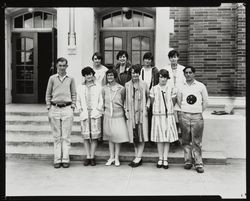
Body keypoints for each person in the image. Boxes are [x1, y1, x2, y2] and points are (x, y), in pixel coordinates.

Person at [45, 57, 76, 168]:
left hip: (67, 108)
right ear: (57, 67)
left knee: (66, 136)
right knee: (57, 136)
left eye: (64, 65)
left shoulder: (71, 79)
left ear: (67, 66)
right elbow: (48, 94)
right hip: (55, 108)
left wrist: (73, 106)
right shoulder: (52, 78)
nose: (62, 68)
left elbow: (74, 93)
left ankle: (65, 159)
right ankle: (57, 159)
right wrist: (49, 107)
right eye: (60, 66)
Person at [177, 65, 208, 173]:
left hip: (197, 116)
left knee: (197, 141)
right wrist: (186, 110)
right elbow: (179, 100)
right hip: (184, 116)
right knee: (185, 140)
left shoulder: (201, 86)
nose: (188, 74)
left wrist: (197, 111)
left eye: (190, 72)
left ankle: (199, 163)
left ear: (194, 74)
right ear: (184, 74)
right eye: (186, 73)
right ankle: (188, 161)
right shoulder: (181, 86)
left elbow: (205, 102)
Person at [149, 69, 178, 169]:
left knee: (167, 138)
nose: (163, 79)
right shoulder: (154, 89)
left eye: (165, 77)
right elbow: (152, 102)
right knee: (159, 139)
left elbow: (173, 102)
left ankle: (165, 158)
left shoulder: (171, 88)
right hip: (158, 116)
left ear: (167, 78)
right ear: (158, 78)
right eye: (161, 77)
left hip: (168, 116)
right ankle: (160, 158)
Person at [102, 69, 129, 166]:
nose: (110, 77)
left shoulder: (121, 88)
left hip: (118, 115)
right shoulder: (104, 88)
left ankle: (117, 157)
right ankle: (111, 157)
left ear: (115, 76)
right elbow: (102, 101)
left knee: (117, 136)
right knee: (110, 137)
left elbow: (124, 101)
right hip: (108, 115)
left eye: (111, 75)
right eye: (108, 75)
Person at [76, 66, 103, 166]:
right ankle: (87, 156)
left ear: (93, 75)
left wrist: (98, 109)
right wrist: (80, 109)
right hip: (84, 114)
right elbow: (78, 100)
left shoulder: (98, 86)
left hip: (95, 113)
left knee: (94, 137)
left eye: (90, 74)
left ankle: (92, 156)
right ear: (84, 76)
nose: (89, 76)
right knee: (86, 137)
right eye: (87, 75)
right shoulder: (80, 87)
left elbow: (101, 100)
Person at [124, 64, 149, 168]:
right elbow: (125, 99)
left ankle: (138, 157)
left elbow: (149, 97)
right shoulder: (127, 85)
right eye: (133, 72)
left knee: (141, 136)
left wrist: (147, 107)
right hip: (131, 115)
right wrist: (126, 110)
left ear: (139, 74)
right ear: (131, 73)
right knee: (134, 136)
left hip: (142, 114)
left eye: (137, 72)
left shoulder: (144, 84)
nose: (135, 74)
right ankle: (137, 156)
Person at [166, 50, 186, 149]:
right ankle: (172, 138)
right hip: (169, 96)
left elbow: (185, 83)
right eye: (171, 57)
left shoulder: (183, 69)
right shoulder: (165, 69)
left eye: (175, 57)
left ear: (178, 58)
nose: (173, 59)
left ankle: (178, 137)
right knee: (171, 117)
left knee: (179, 117)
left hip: (180, 95)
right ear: (169, 59)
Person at [139, 52, 159, 142]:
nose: (147, 61)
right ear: (143, 60)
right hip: (141, 95)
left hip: (152, 95)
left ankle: (151, 138)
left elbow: (157, 83)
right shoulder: (140, 70)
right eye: (146, 59)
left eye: (149, 59)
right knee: (142, 116)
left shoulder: (154, 70)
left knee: (151, 116)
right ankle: (142, 137)